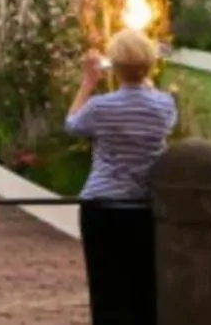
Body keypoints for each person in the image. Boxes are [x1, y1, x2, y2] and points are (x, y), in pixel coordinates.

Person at [66, 28, 179, 325]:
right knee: (145, 284)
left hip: (102, 203)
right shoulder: (164, 105)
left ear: (113, 66)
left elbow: (72, 125)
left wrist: (87, 84)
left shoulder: (100, 107)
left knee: (106, 286)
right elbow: (164, 117)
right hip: (144, 205)